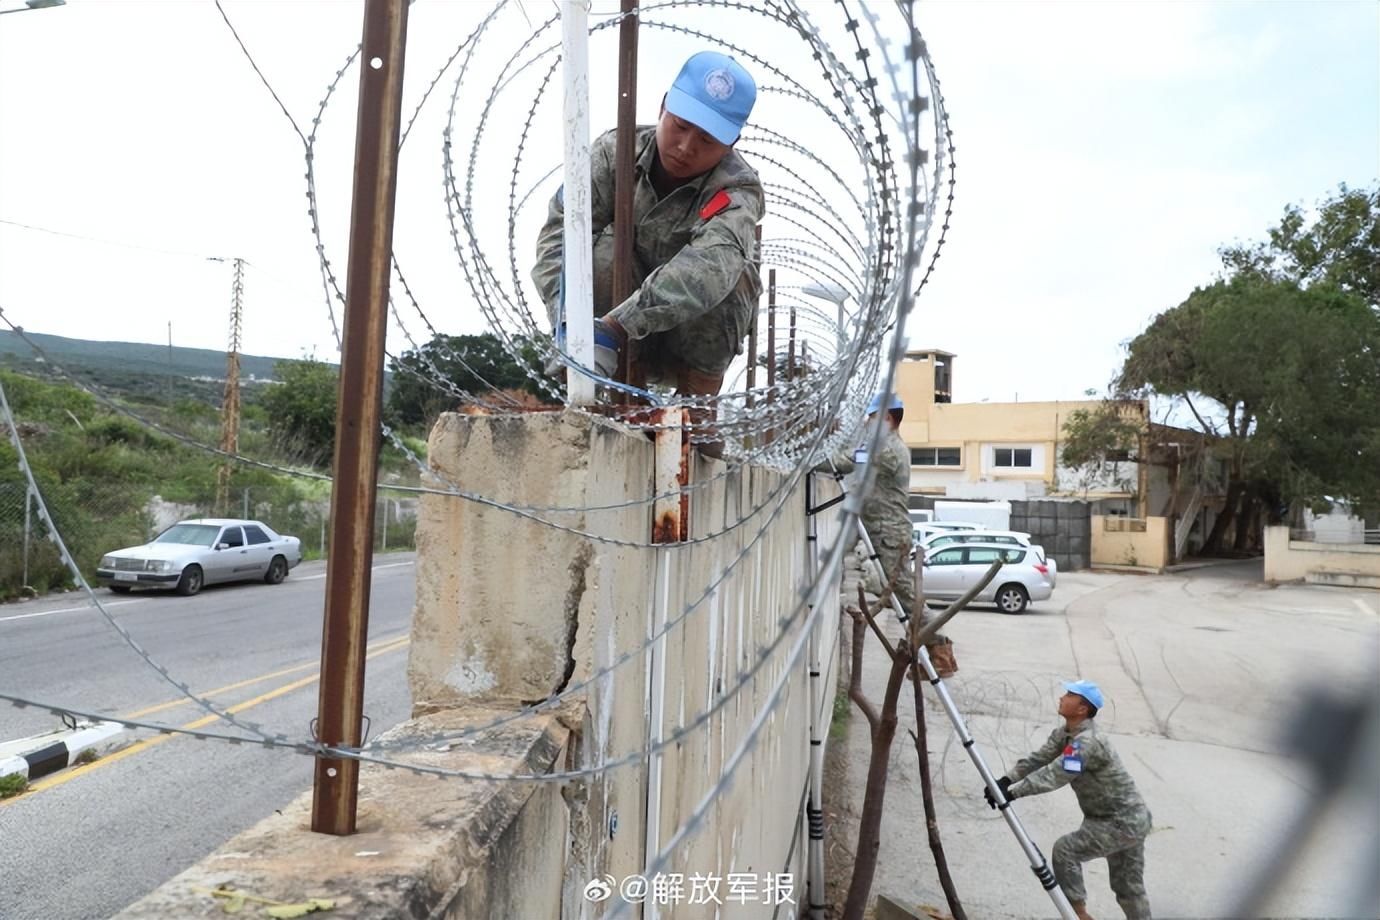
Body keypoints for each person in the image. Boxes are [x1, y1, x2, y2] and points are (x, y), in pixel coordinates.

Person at [531, 50, 763, 400]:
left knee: (733, 279)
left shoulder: (738, 190)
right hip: (612, 343)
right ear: (663, 107)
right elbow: (559, 236)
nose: (685, 147)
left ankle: (696, 408)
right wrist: (570, 323)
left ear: (730, 144)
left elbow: (711, 268)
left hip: (685, 340)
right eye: (680, 126)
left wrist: (619, 325)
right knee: (604, 252)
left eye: (706, 141)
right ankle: (629, 392)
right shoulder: (615, 153)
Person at [984, 680, 1153, 920]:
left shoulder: (1087, 742)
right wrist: (1005, 780)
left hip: (1120, 822)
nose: (1062, 697)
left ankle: (1078, 915)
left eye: (1069, 695)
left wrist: (1013, 794)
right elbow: (1039, 758)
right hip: (1123, 820)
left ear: (1082, 708)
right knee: (1129, 889)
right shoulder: (1065, 733)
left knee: (1066, 851)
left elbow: (1057, 773)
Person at [823, 393, 956, 675]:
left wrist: (807, 461)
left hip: (888, 531)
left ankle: (941, 651)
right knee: (901, 594)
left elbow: (843, 462)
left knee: (907, 596)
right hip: (879, 527)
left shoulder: (886, 448)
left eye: (871, 418)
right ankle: (934, 650)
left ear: (886, 418)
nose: (867, 423)